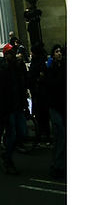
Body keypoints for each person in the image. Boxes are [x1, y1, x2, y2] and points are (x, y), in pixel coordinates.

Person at [0, 43, 26, 175]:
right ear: (6, 55)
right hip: (8, 109)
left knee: (22, 132)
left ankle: (6, 153)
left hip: (18, 106)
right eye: (11, 53)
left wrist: (25, 104)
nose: (13, 55)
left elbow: (21, 87)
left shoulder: (17, 68)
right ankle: (8, 160)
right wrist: (1, 111)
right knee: (12, 135)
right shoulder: (1, 70)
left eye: (14, 52)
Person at [44, 44, 65, 180]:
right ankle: (56, 166)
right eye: (56, 51)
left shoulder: (64, 66)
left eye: (60, 52)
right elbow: (52, 84)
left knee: (62, 138)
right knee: (60, 136)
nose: (59, 54)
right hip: (54, 107)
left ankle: (61, 165)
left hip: (63, 106)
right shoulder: (50, 69)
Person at [27, 43, 50, 146]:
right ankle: (42, 135)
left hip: (40, 92)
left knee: (42, 115)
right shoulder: (36, 61)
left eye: (32, 51)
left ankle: (44, 135)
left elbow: (40, 76)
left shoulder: (39, 63)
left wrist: (34, 80)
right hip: (36, 92)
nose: (31, 53)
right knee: (40, 115)